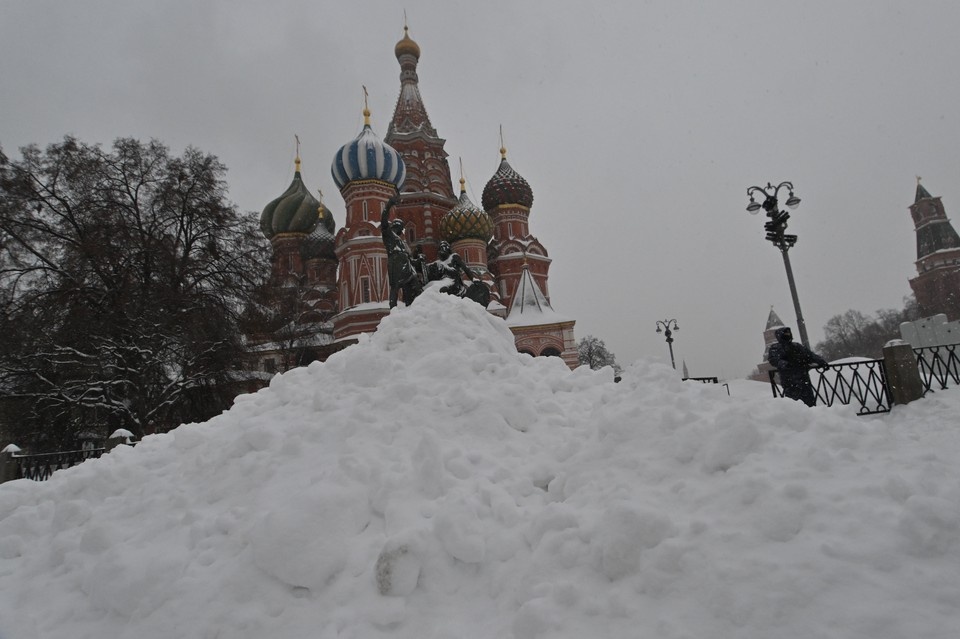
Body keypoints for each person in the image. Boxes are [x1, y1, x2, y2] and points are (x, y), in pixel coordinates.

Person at [767, 327, 829, 407]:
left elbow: (809, 355)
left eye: (789, 333)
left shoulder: (797, 346)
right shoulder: (776, 348)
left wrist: (821, 361)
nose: (788, 335)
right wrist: (784, 364)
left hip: (803, 379)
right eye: (785, 334)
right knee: (795, 405)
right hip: (790, 381)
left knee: (810, 404)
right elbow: (774, 359)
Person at [381, 196, 422, 308]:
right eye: (401, 227)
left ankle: (412, 306)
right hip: (396, 263)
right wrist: (389, 205)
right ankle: (393, 308)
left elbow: (410, 259)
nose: (402, 230)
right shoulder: (389, 235)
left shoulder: (402, 242)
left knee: (414, 285)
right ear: (396, 226)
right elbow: (383, 221)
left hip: (406, 265)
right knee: (396, 286)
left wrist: (418, 260)